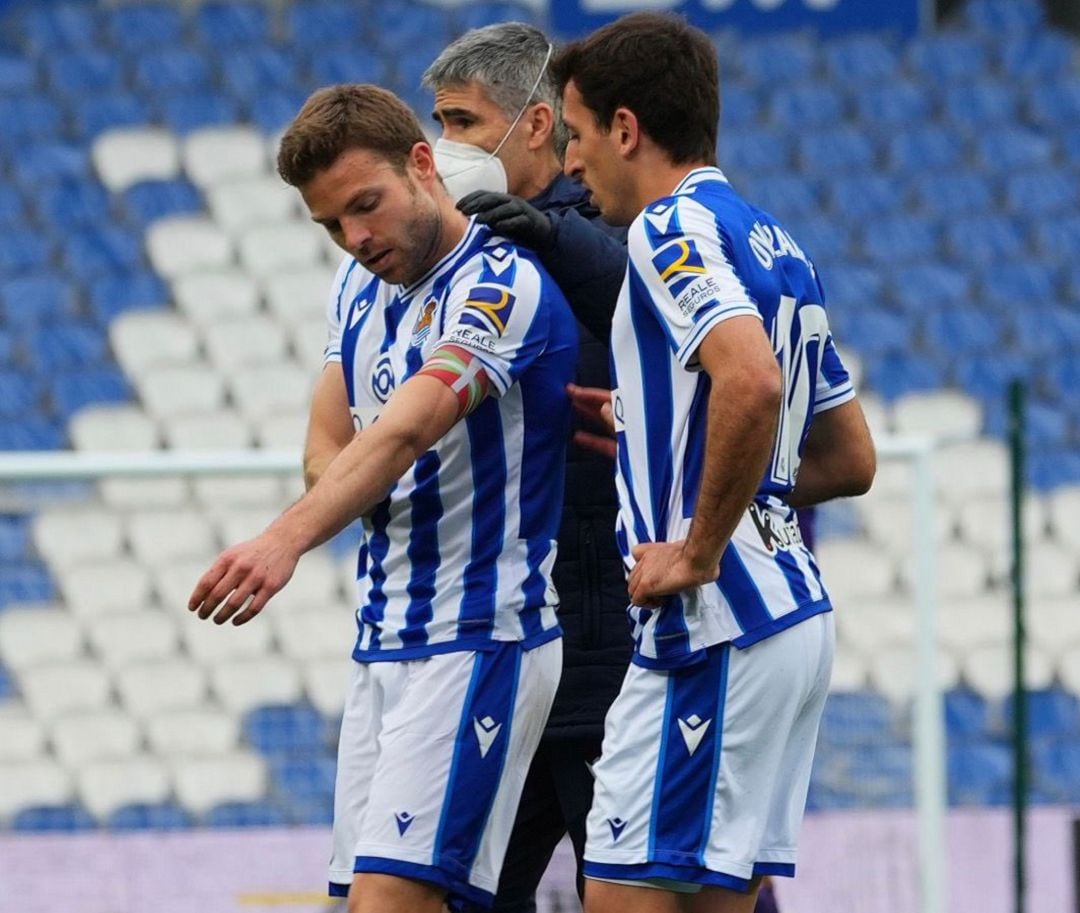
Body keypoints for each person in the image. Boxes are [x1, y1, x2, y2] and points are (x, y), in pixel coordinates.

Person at [187, 83, 580, 913]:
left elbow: (403, 430)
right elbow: (324, 441)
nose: (356, 238)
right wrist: (341, 486)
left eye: (365, 206)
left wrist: (285, 538)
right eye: (332, 225)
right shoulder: (356, 290)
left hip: (478, 637)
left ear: (423, 164)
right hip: (382, 643)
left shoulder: (498, 288)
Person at [551, 13, 877, 913]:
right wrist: (670, 443)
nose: (570, 163)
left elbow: (753, 382)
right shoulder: (775, 240)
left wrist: (696, 545)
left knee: (617, 894)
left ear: (625, 129)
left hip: (713, 621)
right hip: (789, 614)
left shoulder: (667, 228)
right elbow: (849, 458)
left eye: (576, 136)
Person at [421, 23, 633, 913]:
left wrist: (547, 235)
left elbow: (642, 297)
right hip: (495, 644)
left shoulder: (617, 227)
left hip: (604, 651)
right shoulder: (450, 253)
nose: (445, 146)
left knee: (636, 893)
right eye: (437, 121)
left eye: (464, 121)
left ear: (537, 126)